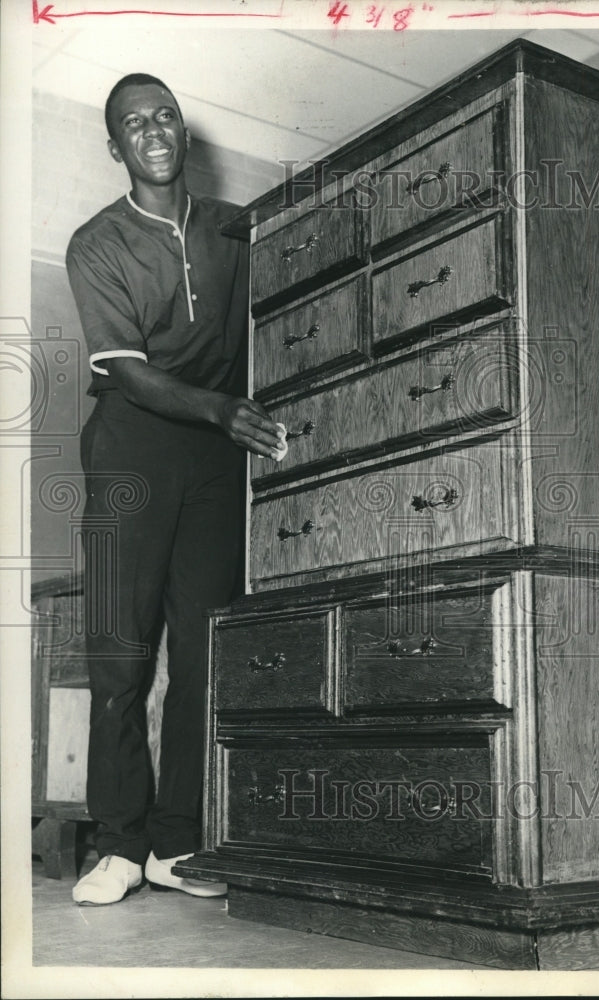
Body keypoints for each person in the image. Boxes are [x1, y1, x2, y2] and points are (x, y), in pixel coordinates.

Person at [66, 73, 285, 905]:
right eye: (133, 123)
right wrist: (223, 409)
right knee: (121, 653)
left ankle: (176, 844)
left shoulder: (239, 231)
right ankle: (119, 846)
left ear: (183, 133)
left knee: (202, 649)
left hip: (214, 455)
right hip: (132, 443)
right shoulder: (97, 243)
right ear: (115, 145)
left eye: (165, 117)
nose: (152, 131)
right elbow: (126, 370)